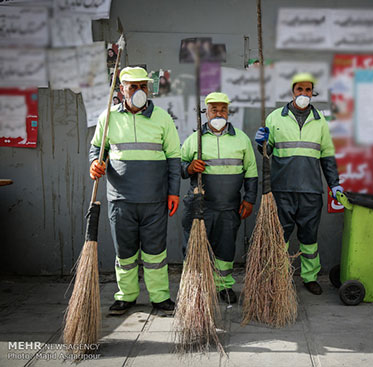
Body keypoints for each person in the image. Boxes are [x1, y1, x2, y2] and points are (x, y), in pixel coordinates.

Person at [89, 66, 181, 315]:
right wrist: (95, 165)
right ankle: (126, 296)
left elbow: (174, 157)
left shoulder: (162, 118)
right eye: (133, 87)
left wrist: (174, 192)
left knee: (155, 252)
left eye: (143, 86)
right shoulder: (108, 117)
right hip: (121, 199)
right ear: (122, 89)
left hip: (155, 200)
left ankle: (160, 297)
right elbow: (97, 150)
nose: (139, 91)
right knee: (125, 252)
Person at [254, 73, 342, 295]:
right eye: (299, 90)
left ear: (313, 93)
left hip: (311, 191)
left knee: (309, 238)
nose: (303, 94)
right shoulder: (275, 118)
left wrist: (334, 184)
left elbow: (327, 156)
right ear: (292, 91)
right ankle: (279, 276)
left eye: (308, 90)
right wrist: (261, 143)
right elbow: (268, 152)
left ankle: (310, 277)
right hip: (282, 189)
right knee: (280, 237)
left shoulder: (320, 121)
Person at [180, 92, 258, 304]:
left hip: (228, 207)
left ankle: (223, 286)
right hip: (200, 207)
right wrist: (189, 167)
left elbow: (251, 171)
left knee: (225, 249)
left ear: (228, 112)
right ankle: (196, 286)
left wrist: (249, 199)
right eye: (214, 109)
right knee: (195, 247)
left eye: (223, 109)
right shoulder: (194, 139)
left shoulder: (241, 139)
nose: (219, 113)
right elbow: (178, 167)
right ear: (206, 112)